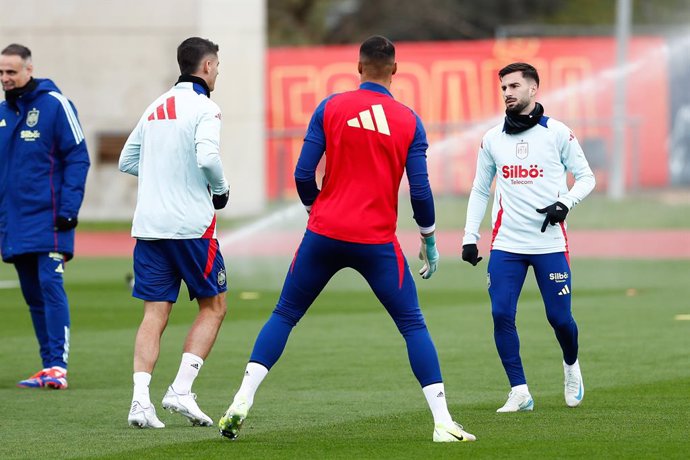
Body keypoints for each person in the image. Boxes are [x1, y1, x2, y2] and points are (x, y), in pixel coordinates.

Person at [218, 35, 476, 443]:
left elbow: (304, 174)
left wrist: (315, 209)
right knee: (412, 324)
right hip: (376, 243)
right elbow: (421, 191)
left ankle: (241, 399)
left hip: (323, 234)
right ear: (395, 70)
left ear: (358, 68)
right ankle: (442, 421)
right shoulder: (409, 120)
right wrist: (428, 239)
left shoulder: (330, 107)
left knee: (284, 314)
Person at [461, 62, 595, 412]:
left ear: (533, 89)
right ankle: (519, 391)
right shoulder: (492, 139)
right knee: (501, 313)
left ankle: (571, 366)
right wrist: (469, 236)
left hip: (549, 244)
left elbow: (586, 177)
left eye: (515, 86)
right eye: (504, 87)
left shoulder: (557, 133)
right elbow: (479, 189)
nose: (507, 92)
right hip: (506, 245)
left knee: (559, 319)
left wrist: (565, 203)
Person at [119, 37, 230, 429]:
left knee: (154, 312)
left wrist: (161, 176)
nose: (218, 70)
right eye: (217, 64)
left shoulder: (155, 106)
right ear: (207, 66)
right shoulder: (206, 108)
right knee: (214, 306)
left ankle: (139, 402)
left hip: (149, 226)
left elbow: (126, 160)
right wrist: (220, 190)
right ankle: (181, 390)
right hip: (191, 227)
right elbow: (208, 158)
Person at [0, 44, 90, 390]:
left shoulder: (56, 105)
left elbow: (78, 158)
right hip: (15, 223)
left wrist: (69, 209)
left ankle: (58, 367)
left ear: (29, 70)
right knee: (32, 294)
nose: (6, 78)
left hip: (51, 219)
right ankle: (47, 365)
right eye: (2, 73)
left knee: (51, 285)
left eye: (12, 71)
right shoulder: (4, 114)